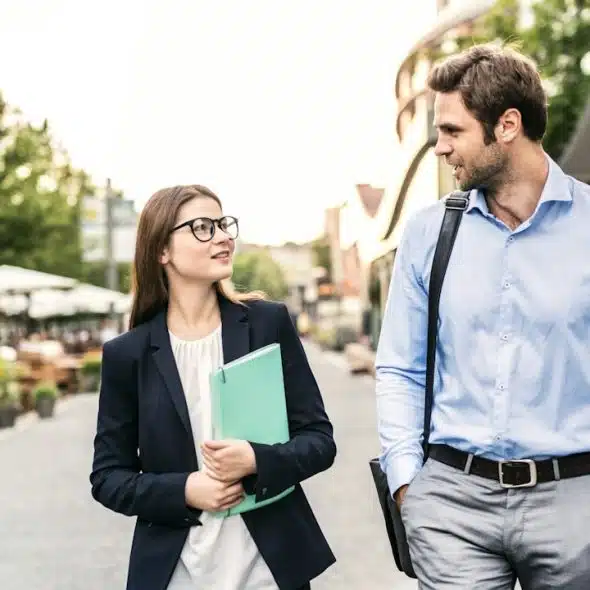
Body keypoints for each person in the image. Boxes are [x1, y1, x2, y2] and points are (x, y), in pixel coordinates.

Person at [375, 43, 590, 589]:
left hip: (575, 503)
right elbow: (400, 367)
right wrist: (407, 486)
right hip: (453, 503)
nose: (441, 148)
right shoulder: (428, 232)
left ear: (508, 125)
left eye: (452, 131)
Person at [90, 184, 336, 590]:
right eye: (202, 227)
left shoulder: (267, 324)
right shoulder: (127, 355)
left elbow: (319, 441)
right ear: (161, 251)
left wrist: (256, 460)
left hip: (267, 571)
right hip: (176, 575)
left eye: (223, 224)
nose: (223, 237)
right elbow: (108, 477)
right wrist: (186, 489)